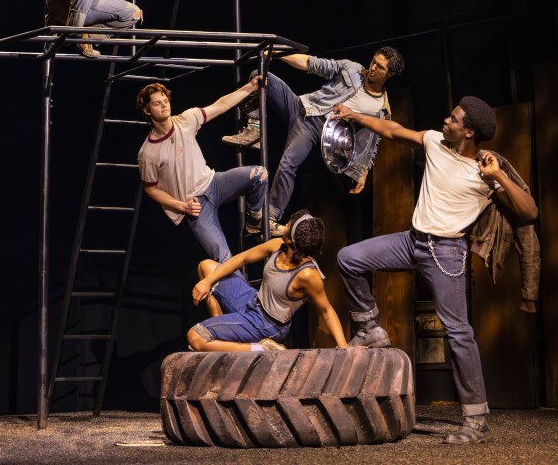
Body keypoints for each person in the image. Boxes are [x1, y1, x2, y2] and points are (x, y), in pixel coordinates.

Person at [333, 96, 539, 444]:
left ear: (468, 131)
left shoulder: (485, 172)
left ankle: (475, 419)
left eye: (454, 119)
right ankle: (369, 328)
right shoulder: (433, 141)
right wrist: (355, 116)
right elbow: (393, 129)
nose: (446, 120)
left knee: (458, 333)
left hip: (445, 252)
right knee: (348, 258)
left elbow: (529, 211)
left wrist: (499, 175)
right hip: (411, 240)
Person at [224, 48, 405, 234]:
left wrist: (364, 171)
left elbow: (372, 142)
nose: (373, 67)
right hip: (302, 105)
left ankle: (269, 217)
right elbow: (312, 63)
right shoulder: (352, 68)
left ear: (389, 74)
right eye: (374, 61)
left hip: (315, 126)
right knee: (260, 76)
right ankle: (254, 130)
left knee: (288, 164)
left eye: (380, 67)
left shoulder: (380, 109)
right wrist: (278, 54)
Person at [136, 79, 270, 263]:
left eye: (165, 100)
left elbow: (220, 106)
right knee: (224, 260)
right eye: (157, 103)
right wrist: (182, 206)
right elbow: (150, 188)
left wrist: (250, 87)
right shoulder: (148, 153)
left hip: (214, 183)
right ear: (147, 110)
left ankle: (255, 222)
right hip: (196, 206)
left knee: (260, 174)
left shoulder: (186, 120)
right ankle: (248, 292)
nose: (164, 106)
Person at [187, 210, 348, 351]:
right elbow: (242, 258)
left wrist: (344, 347)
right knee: (206, 268)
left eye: (288, 224)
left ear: (291, 240)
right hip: (253, 301)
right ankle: (222, 337)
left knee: (195, 337)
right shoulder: (278, 245)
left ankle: (259, 348)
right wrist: (207, 281)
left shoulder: (307, 274)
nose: (285, 224)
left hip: (267, 325)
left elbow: (326, 310)